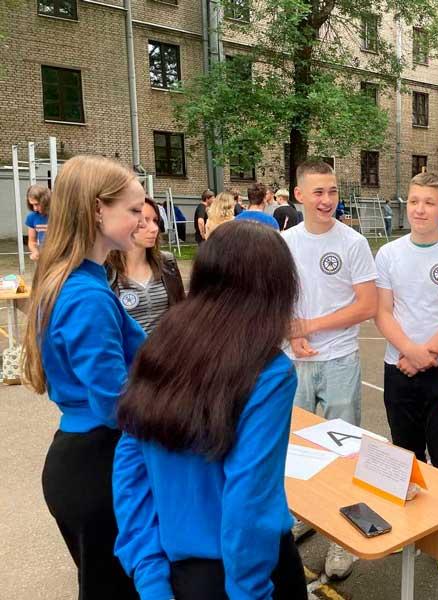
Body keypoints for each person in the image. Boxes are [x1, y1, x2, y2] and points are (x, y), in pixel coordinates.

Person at [113, 221, 306, 600]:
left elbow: (130, 467)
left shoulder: (162, 344)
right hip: (246, 573)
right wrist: (249, 591)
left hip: (178, 570)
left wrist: (150, 577)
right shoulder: (269, 371)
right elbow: (250, 498)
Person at [22, 155, 146, 599]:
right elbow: (116, 402)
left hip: (87, 459)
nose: (142, 220)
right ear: (97, 209)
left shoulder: (78, 281)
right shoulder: (86, 295)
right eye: (133, 210)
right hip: (98, 466)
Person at [283, 159, 377, 580]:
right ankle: (302, 515)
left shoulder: (353, 242)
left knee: (345, 452)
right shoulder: (284, 242)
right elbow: (278, 297)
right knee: (296, 451)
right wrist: (292, 333)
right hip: (296, 362)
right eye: (318, 192)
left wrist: (310, 326)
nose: (326, 200)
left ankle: (343, 540)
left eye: (332, 191)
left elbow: (367, 305)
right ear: (299, 195)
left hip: (339, 360)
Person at [375, 172, 438, 477]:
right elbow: (383, 312)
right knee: (405, 457)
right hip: (399, 368)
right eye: (414, 201)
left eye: (429, 203)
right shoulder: (389, 254)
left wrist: (425, 354)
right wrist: (409, 351)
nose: (419, 209)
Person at [106, 196, 186, 335]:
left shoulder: (167, 263)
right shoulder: (105, 270)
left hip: (167, 347)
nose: (154, 228)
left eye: (155, 221)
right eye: (143, 221)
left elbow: (182, 311)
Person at [25, 183, 51, 261]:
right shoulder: (31, 217)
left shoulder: (60, 215)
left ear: (46, 201)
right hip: (44, 258)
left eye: (37, 204)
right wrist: (35, 252)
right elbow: (32, 241)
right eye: (32, 205)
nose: (35, 208)